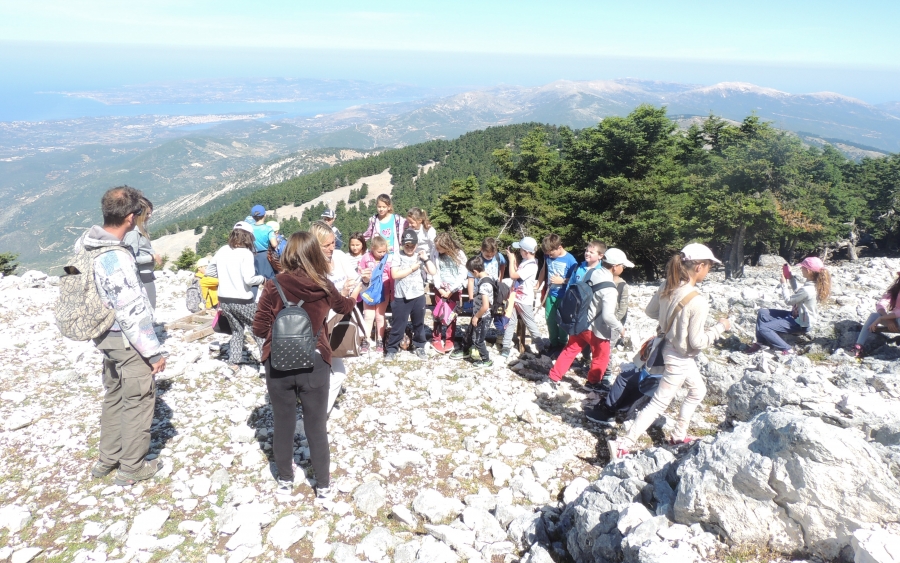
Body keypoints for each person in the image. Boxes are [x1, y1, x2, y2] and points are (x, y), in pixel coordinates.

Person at [252, 232, 360, 501]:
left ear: (289, 254)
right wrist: (355, 292)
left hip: (278, 364)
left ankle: (285, 481)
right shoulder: (323, 286)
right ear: (314, 253)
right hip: (315, 362)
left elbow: (258, 327)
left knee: (283, 423)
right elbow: (345, 306)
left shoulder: (274, 285)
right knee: (315, 426)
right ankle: (322, 486)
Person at [608, 243, 732, 460]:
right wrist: (720, 328)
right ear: (699, 267)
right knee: (659, 402)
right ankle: (623, 444)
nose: (708, 271)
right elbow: (697, 342)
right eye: (709, 267)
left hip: (665, 346)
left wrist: (668, 323)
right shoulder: (698, 301)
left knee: (698, 390)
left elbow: (650, 311)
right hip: (680, 356)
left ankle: (678, 434)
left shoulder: (668, 284)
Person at [81, 186, 166, 486]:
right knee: (138, 398)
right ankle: (132, 467)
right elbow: (132, 311)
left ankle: (107, 459)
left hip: (102, 334)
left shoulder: (87, 243)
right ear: (130, 217)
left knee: (114, 394)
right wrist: (154, 353)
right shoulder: (117, 258)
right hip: (126, 338)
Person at [548, 248, 631, 390]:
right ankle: (593, 383)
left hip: (580, 322)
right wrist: (621, 329)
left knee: (570, 350)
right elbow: (608, 316)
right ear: (615, 267)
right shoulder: (611, 289)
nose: (623, 269)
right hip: (596, 328)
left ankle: (554, 377)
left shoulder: (591, 273)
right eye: (623, 266)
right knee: (601, 356)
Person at [309, 221, 359, 413]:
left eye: (333, 242)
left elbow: (353, 280)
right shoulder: (311, 268)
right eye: (327, 245)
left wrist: (350, 289)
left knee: (337, 372)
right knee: (330, 372)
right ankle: (316, 415)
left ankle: (318, 415)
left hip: (335, 320)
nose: (332, 247)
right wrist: (342, 292)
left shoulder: (339, 256)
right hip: (318, 326)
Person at [744, 257, 831, 355]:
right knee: (762, 313)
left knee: (764, 328)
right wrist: (790, 277)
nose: (801, 269)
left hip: (801, 323)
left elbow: (788, 301)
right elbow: (798, 292)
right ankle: (761, 343)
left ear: (809, 271)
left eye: (802, 268)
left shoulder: (808, 290)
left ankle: (787, 349)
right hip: (797, 316)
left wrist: (784, 284)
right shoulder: (812, 285)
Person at [214, 221, 265, 369]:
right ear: (248, 237)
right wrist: (262, 279)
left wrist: (226, 277)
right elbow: (249, 280)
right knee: (258, 330)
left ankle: (234, 363)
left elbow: (210, 271)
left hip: (224, 299)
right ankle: (265, 364)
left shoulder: (223, 250)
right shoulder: (246, 253)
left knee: (236, 331)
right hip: (243, 300)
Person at [386, 229, 436, 360]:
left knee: (418, 324)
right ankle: (392, 349)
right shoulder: (397, 256)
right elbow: (395, 274)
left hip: (418, 295)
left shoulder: (419, 256)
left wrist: (426, 259)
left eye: (412, 245)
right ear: (402, 244)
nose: (409, 248)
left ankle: (420, 346)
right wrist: (412, 269)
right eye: (407, 245)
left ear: (416, 244)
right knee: (398, 324)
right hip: (401, 296)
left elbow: (432, 271)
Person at [500, 236, 543, 357]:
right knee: (510, 322)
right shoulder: (526, 262)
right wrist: (513, 260)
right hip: (515, 297)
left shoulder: (532, 265)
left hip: (524, 300)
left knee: (530, 323)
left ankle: (542, 348)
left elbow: (513, 275)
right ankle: (505, 346)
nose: (519, 251)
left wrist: (510, 259)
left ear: (526, 251)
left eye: (520, 249)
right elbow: (517, 272)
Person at [451, 255, 494, 367]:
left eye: (470, 273)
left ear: (475, 272)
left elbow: (485, 305)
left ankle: (486, 360)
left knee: (479, 340)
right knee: (470, 333)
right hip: (479, 314)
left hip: (482, 316)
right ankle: (465, 349)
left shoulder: (484, 285)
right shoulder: (488, 276)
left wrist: (476, 317)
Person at [539, 233, 579, 355]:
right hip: (551, 294)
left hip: (564, 296)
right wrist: (539, 284)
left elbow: (576, 280)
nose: (549, 256)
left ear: (559, 247)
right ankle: (553, 343)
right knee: (549, 319)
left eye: (551, 253)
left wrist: (562, 281)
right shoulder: (548, 257)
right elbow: (544, 269)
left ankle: (562, 343)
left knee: (562, 321)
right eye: (547, 254)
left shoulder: (571, 261)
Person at [122, 196, 162, 310]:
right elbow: (130, 258)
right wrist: (151, 257)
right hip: (142, 275)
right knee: (149, 307)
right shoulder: (134, 232)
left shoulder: (139, 229)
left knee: (150, 306)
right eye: (147, 213)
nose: (150, 216)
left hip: (146, 273)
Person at [432, 232, 468, 353]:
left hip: (454, 289)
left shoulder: (459, 254)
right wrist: (439, 288)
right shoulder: (436, 253)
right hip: (440, 288)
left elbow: (462, 274)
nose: (437, 249)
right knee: (438, 314)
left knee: (451, 315)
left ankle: (449, 339)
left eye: (439, 247)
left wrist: (451, 290)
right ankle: (436, 339)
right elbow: (434, 272)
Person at [854, 272, 900, 357]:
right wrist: (887, 319)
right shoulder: (896, 290)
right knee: (874, 316)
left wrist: (882, 318)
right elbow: (881, 304)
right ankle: (859, 346)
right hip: (894, 318)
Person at [359, 235, 391, 352]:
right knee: (368, 316)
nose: (382, 254)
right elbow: (360, 271)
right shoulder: (365, 258)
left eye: (384, 251)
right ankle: (366, 340)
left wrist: (392, 293)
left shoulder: (387, 260)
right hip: (368, 290)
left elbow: (391, 276)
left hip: (384, 291)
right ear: (372, 248)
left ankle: (380, 340)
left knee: (379, 316)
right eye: (379, 251)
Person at [466, 237, 507, 305]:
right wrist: (471, 298)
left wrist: (500, 278)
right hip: (480, 292)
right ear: (481, 250)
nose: (490, 257)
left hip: (494, 291)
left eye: (492, 255)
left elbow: (503, 265)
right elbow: (471, 280)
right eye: (487, 255)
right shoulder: (476, 261)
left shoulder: (499, 256)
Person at [249, 204, 277, 280]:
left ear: (252, 217)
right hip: (266, 256)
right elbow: (274, 244)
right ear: (265, 215)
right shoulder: (268, 228)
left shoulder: (249, 228)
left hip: (252, 256)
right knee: (269, 279)